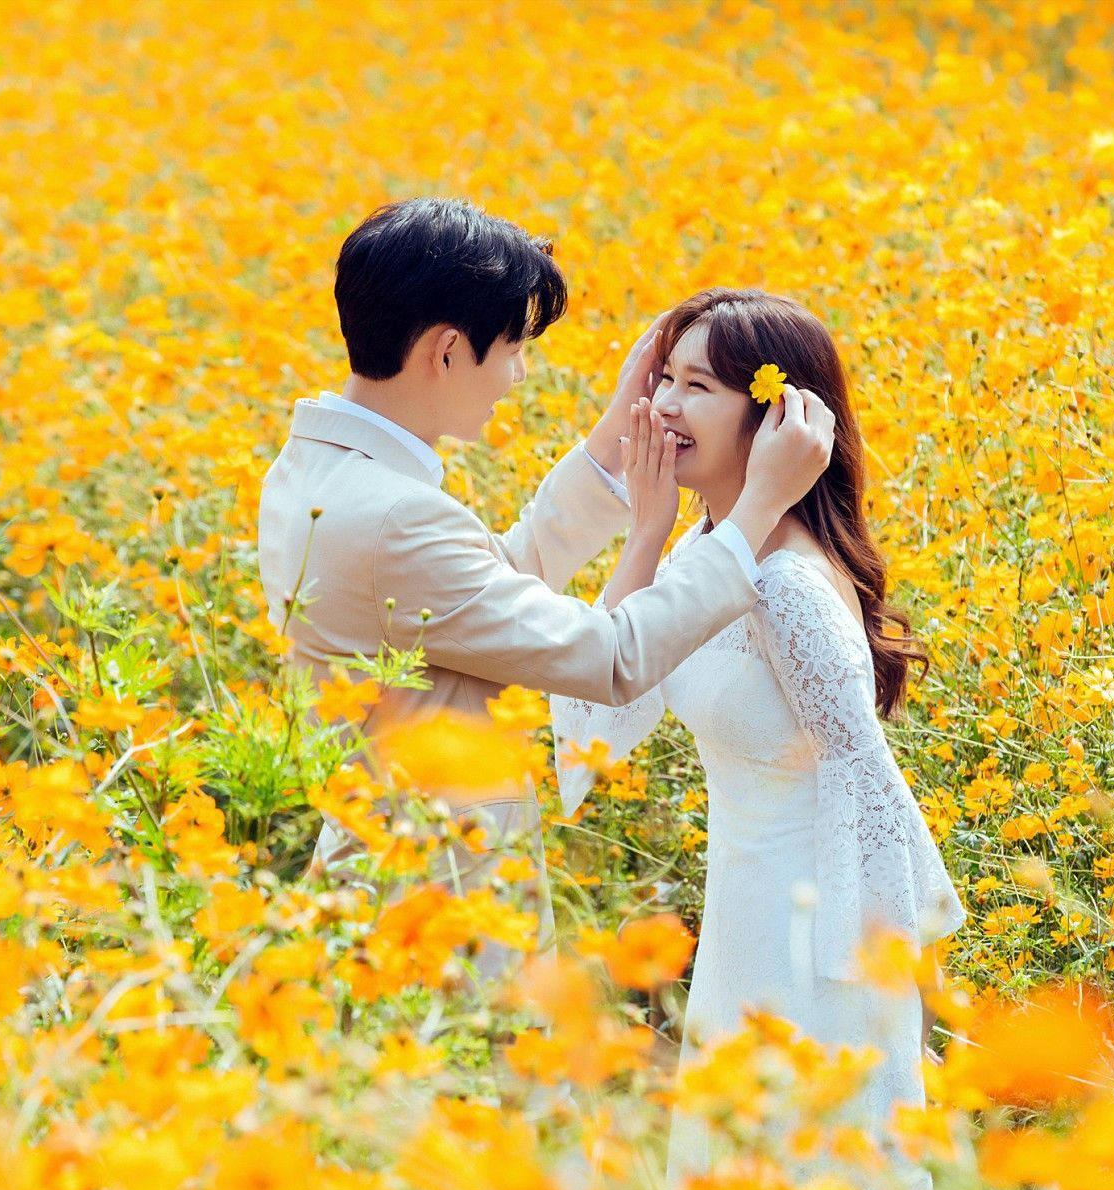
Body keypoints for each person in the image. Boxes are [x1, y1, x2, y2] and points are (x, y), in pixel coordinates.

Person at [255, 199, 835, 977]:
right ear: (449, 351)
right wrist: (757, 507)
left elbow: (486, 588)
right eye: (514, 349)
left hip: (390, 870)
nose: (520, 375)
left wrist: (611, 439)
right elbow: (612, 655)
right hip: (439, 901)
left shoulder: (316, 472)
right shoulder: (394, 515)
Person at [550, 288, 967, 1190]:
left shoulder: (782, 582)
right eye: (664, 381)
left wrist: (865, 993)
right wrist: (645, 532)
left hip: (814, 952)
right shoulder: (711, 550)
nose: (664, 408)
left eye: (697, 387)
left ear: (776, 417)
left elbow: (865, 785)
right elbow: (599, 722)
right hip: (744, 929)